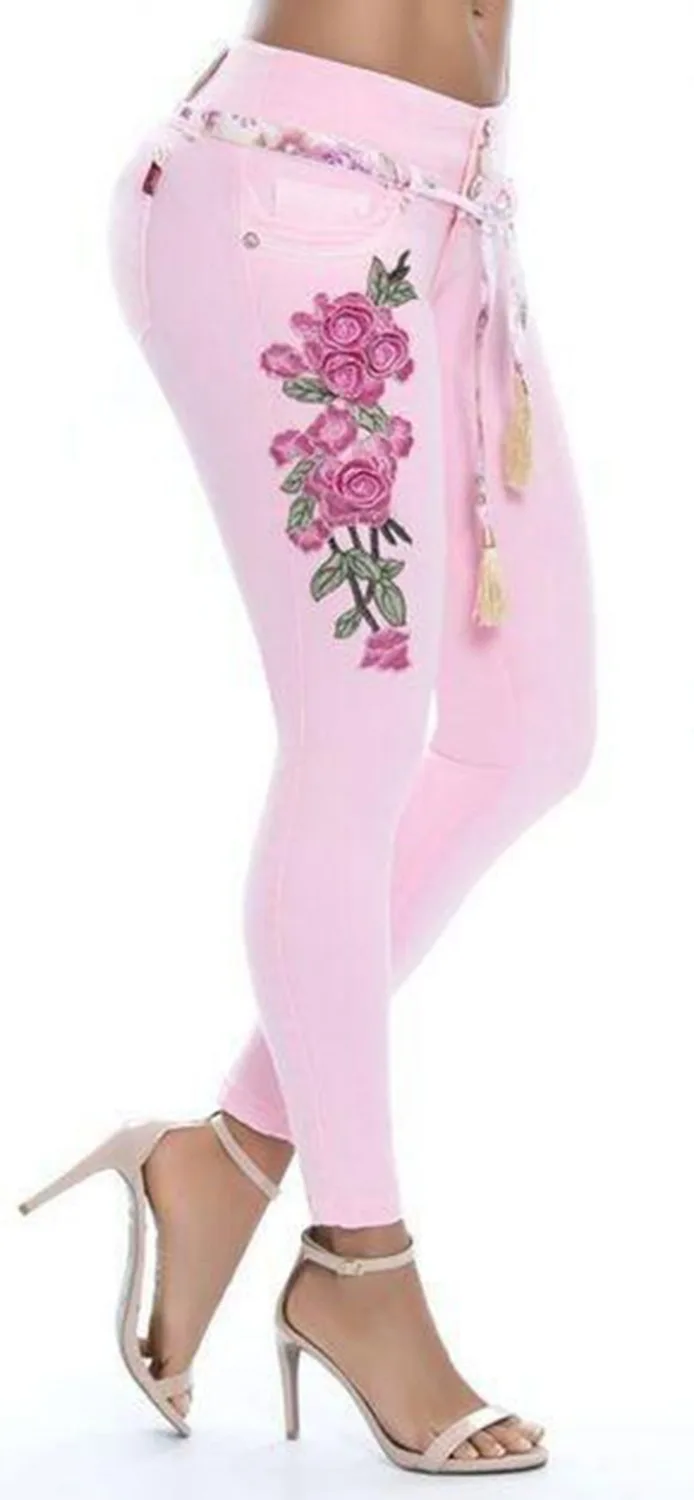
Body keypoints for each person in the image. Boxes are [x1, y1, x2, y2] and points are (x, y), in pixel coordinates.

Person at [21, 0, 595, 1474]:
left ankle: (224, 1157)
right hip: (295, 197)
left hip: (458, 204)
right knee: (354, 742)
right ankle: (360, 1261)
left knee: (530, 733)